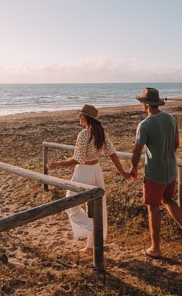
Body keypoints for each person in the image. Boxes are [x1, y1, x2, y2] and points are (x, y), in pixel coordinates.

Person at [47, 104, 131, 254]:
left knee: (70, 204)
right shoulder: (101, 133)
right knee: (95, 206)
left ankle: (95, 227)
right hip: (96, 171)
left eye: (81, 115)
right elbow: (112, 153)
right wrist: (123, 172)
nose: (79, 117)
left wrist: (58, 164)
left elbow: (78, 159)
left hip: (84, 172)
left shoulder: (84, 134)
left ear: (87, 117)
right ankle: (91, 246)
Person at [129, 87, 182, 258]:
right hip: (170, 169)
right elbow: (176, 143)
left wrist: (133, 167)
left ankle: (155, 248)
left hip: (154, 172)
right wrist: (167, 154)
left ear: (145, 104)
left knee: (153, 208)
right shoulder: (170, 118)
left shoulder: (144, 125)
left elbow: (137, 151)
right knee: (168, 200)